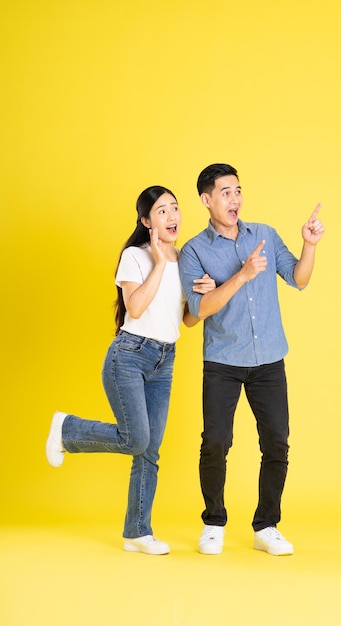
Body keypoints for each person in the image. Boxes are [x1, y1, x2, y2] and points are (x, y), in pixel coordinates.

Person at [46, 185, 215, 555]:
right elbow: (135, 308)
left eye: (175, 209)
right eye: (162, 211)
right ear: (146, 221)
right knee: (136, 438)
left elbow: (185, 319)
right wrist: (158, 261)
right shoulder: (135, 257)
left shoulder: (187, 260)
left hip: (164, 360)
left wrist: (206, 294)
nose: (172, 217)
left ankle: (137, 531)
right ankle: (67, 428)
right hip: (129, 356)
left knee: (149, 450)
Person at [179, 164, 325, 556]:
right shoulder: (194, 250)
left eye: (238, 191)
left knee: (277, 441)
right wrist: (241, 276)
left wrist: (309, 245)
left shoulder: (264, 234)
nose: (235, 199)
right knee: (216, 442)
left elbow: (299, 278)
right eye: (225, 192)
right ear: (206, 200)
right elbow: (197, 311)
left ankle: (267, 525)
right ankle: (213, 522)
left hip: (269, 360)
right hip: (223, 361)